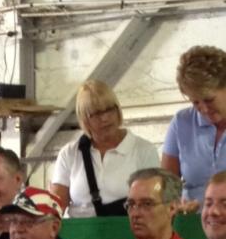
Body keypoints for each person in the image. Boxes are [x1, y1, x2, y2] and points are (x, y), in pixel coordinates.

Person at [51, 79, 158, 217]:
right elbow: (55, 207)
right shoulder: (69, 154)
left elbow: (155, 202)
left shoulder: (144, 150)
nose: (105, 118)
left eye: (109, 110)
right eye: (96, 114)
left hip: (129, 228)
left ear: (117, 110)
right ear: (85, 119)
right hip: (80, 229)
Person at [162, 46, 226, 211]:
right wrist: (176, 205)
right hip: (192, 220)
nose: (203, 109)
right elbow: (167, 185)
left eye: (209, 100)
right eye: (195, 102)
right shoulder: (181, 122)